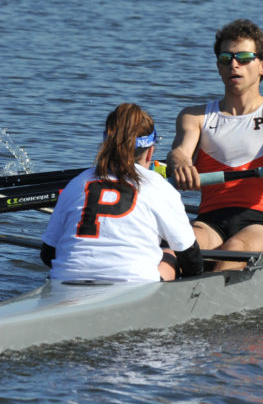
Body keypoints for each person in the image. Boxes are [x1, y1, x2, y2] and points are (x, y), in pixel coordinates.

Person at [167, 19, 263, 270]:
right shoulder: (194, 116)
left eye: (244, 57)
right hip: (209, 221)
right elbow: (179, 154)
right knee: (172, 250)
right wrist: (180, 164)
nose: (234, 64)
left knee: (232, 252)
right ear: (218, 66)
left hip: (262, 224)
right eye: (226, 58)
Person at [41, 103, 202, 284]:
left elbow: (48, 254)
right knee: (171, 252)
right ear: (150, 152)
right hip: (133, 286)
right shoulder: (159, 186)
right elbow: (191, 260)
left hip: (66, 281)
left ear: (106, 146)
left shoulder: (76, 183)